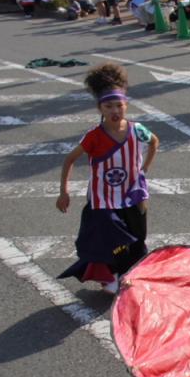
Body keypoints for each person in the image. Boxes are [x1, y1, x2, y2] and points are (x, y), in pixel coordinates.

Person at [56, 63, 158, 294]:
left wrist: (143, 170)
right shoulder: (94, 136)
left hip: (133, 196)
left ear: (126, 105)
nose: (115, 111)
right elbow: (69, 160)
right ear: (99, 108)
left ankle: (132, 274)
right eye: (108, 106)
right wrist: (64, 192)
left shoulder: (137, 129)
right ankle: (111, 276)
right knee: (110, 241)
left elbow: (154, 142)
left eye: (119, 105)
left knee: (137, 239)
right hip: (104, 200)